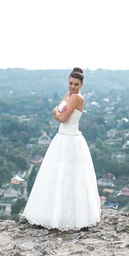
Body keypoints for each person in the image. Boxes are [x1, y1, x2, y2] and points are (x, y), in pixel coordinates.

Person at [22, 67, 101, 230]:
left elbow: (62, 117)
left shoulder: (77, 98)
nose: (72, 87)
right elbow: (57, 112)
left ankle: (70, 216)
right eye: (71, 83)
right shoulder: (69, 95)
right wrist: (57, 113)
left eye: (76, 84)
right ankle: (56, 213)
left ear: (81, 85)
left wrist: (56, 113)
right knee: (57, 175)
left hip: (70, 138)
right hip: (62, 138)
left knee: (71, 177)